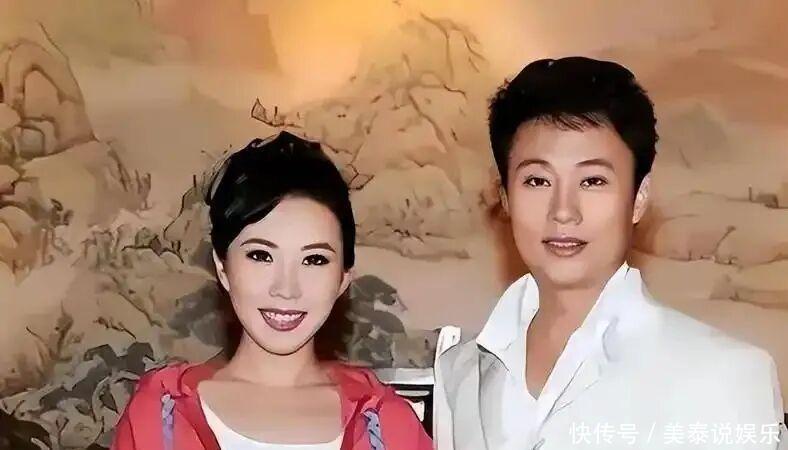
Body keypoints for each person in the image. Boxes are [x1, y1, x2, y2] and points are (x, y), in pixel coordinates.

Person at [433, 57, 786, 449]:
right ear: (505, 197)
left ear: (639, 198)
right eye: (537, 180)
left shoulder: (727, 375)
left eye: (592, 181)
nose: (563, 210)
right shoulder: (460, 375)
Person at [112, 132, 432, 450]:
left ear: (343, 278)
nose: (286, 289)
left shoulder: (388, 426)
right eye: (261, 256)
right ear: (223, 268)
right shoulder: (158, 415)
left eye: (314, 259)